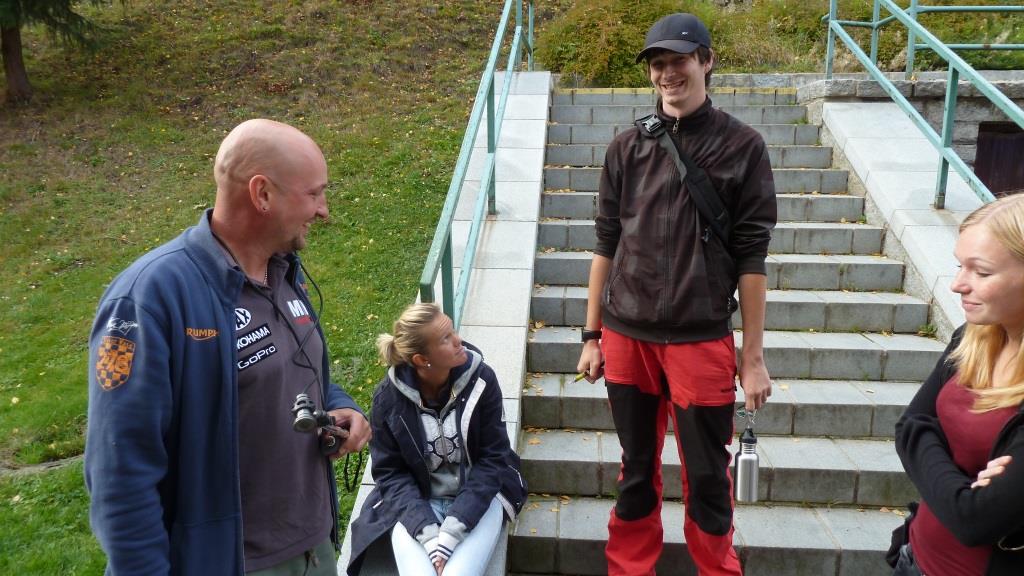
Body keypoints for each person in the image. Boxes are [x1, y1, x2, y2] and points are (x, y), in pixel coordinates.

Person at [84, 119, 372, 575]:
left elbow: (294, 375)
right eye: (314, 194)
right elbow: (121, 472)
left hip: (314, 548)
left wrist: (340, 407)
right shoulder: (151, 297)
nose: (324, 210)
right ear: (262, 194)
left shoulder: (283, 273)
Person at [574, 12, 777, 576]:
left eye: (679, 60)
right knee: (636, 470)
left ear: (706, 61)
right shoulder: (626, 147)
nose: (668, 73)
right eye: (658, 63)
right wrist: (591, 335)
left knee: (708, 476)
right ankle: (629, 569)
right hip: (626, 337)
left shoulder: (744, 146)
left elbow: (752, 257)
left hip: (701, 339)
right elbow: (606, 243)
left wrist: (753, 357)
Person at [894, 193, 1024, 576]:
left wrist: (933, 453)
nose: (957, 285)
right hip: (913, 557)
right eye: (959, 266)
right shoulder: (972, 337)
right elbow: (909, 426)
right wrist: (966, 488)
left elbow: (974, 521)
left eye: (981, 272)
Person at [346, 303, 527, 576]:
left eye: (453, 331)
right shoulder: (387, 400)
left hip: (481, 496)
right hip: (418, 501)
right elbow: (390, 473)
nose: (458, 340)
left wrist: (453, 531)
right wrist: (428, 534)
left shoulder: (482, 380)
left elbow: (494, 459)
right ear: (421, 360)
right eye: (445, 338)